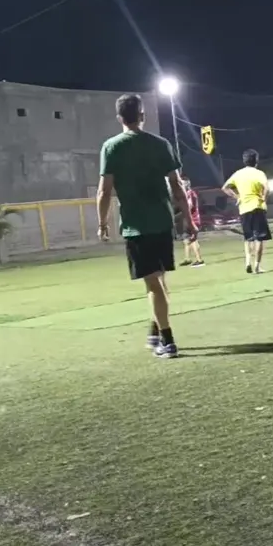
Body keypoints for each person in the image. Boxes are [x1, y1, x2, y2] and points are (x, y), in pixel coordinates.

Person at [97, 93, 189, 358]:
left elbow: (104, 191)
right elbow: (177, 185)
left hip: (136, 226)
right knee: (159, 279)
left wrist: (102, 223)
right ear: (142, 115)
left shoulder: (111, 147)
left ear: (119, 118)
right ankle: (155, 331)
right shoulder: (161, 144)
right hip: (162, 221)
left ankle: (167, 340)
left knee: (153, 284)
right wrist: (189, 219)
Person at [223, 149, 271, 274]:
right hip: (257, 207)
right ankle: (257, 266)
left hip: (244, 209)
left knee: (248, 238)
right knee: (259, 238)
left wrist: (237, 197)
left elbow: (225, 188)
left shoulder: (238, 174)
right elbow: (267, 188)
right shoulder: (259, 173)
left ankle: (248, 262)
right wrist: (263, 198)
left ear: (244, 161)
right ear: (256, 161)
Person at [179, 177, 205, 268]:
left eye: (183, 183)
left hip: (192, 219)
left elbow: (190, 206)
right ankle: (187, 259)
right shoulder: (187, 193)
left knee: (193, 239)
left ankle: (199, 260)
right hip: (188, 219)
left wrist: (182, 211)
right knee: (186, 240)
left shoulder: (190, 193)